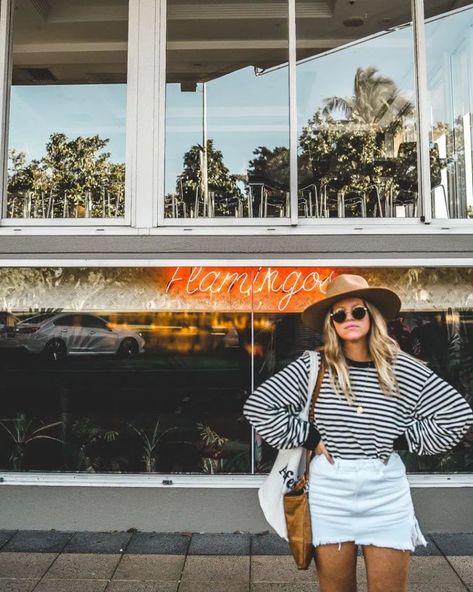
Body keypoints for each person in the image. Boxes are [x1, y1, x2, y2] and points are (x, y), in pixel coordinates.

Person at [243, 274, 473, 592]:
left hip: (385, 492)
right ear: (332, 324)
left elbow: (456, 415)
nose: (349, 318)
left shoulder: (402, 367)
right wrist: (310, 438)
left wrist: (404, 438)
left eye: (358, 311)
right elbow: (259, 408)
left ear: (372, 315)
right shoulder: (314, 366)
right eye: (339, 314)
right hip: (329, 491)